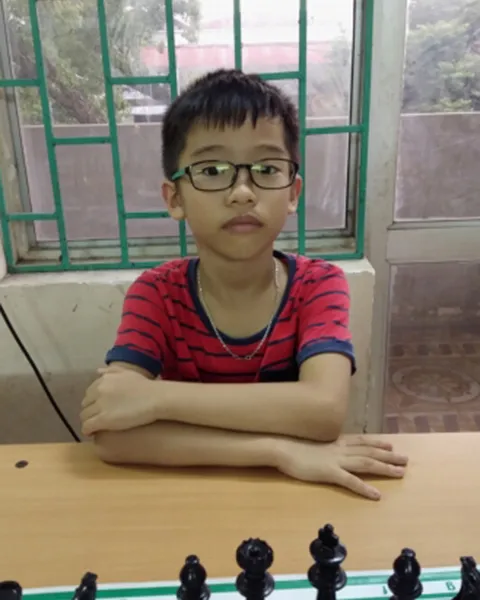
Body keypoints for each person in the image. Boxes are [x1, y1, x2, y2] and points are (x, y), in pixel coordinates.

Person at [80, 69, 407, 500]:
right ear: (175, 198)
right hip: (190, 499)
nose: (242, 192)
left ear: (293, 193)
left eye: (266, 168)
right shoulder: (156, 294)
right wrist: (276, 451)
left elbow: (324, 410)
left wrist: (156, 399)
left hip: (297, 497)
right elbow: (111, 434)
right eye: (212, 170)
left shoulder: (318, 284)